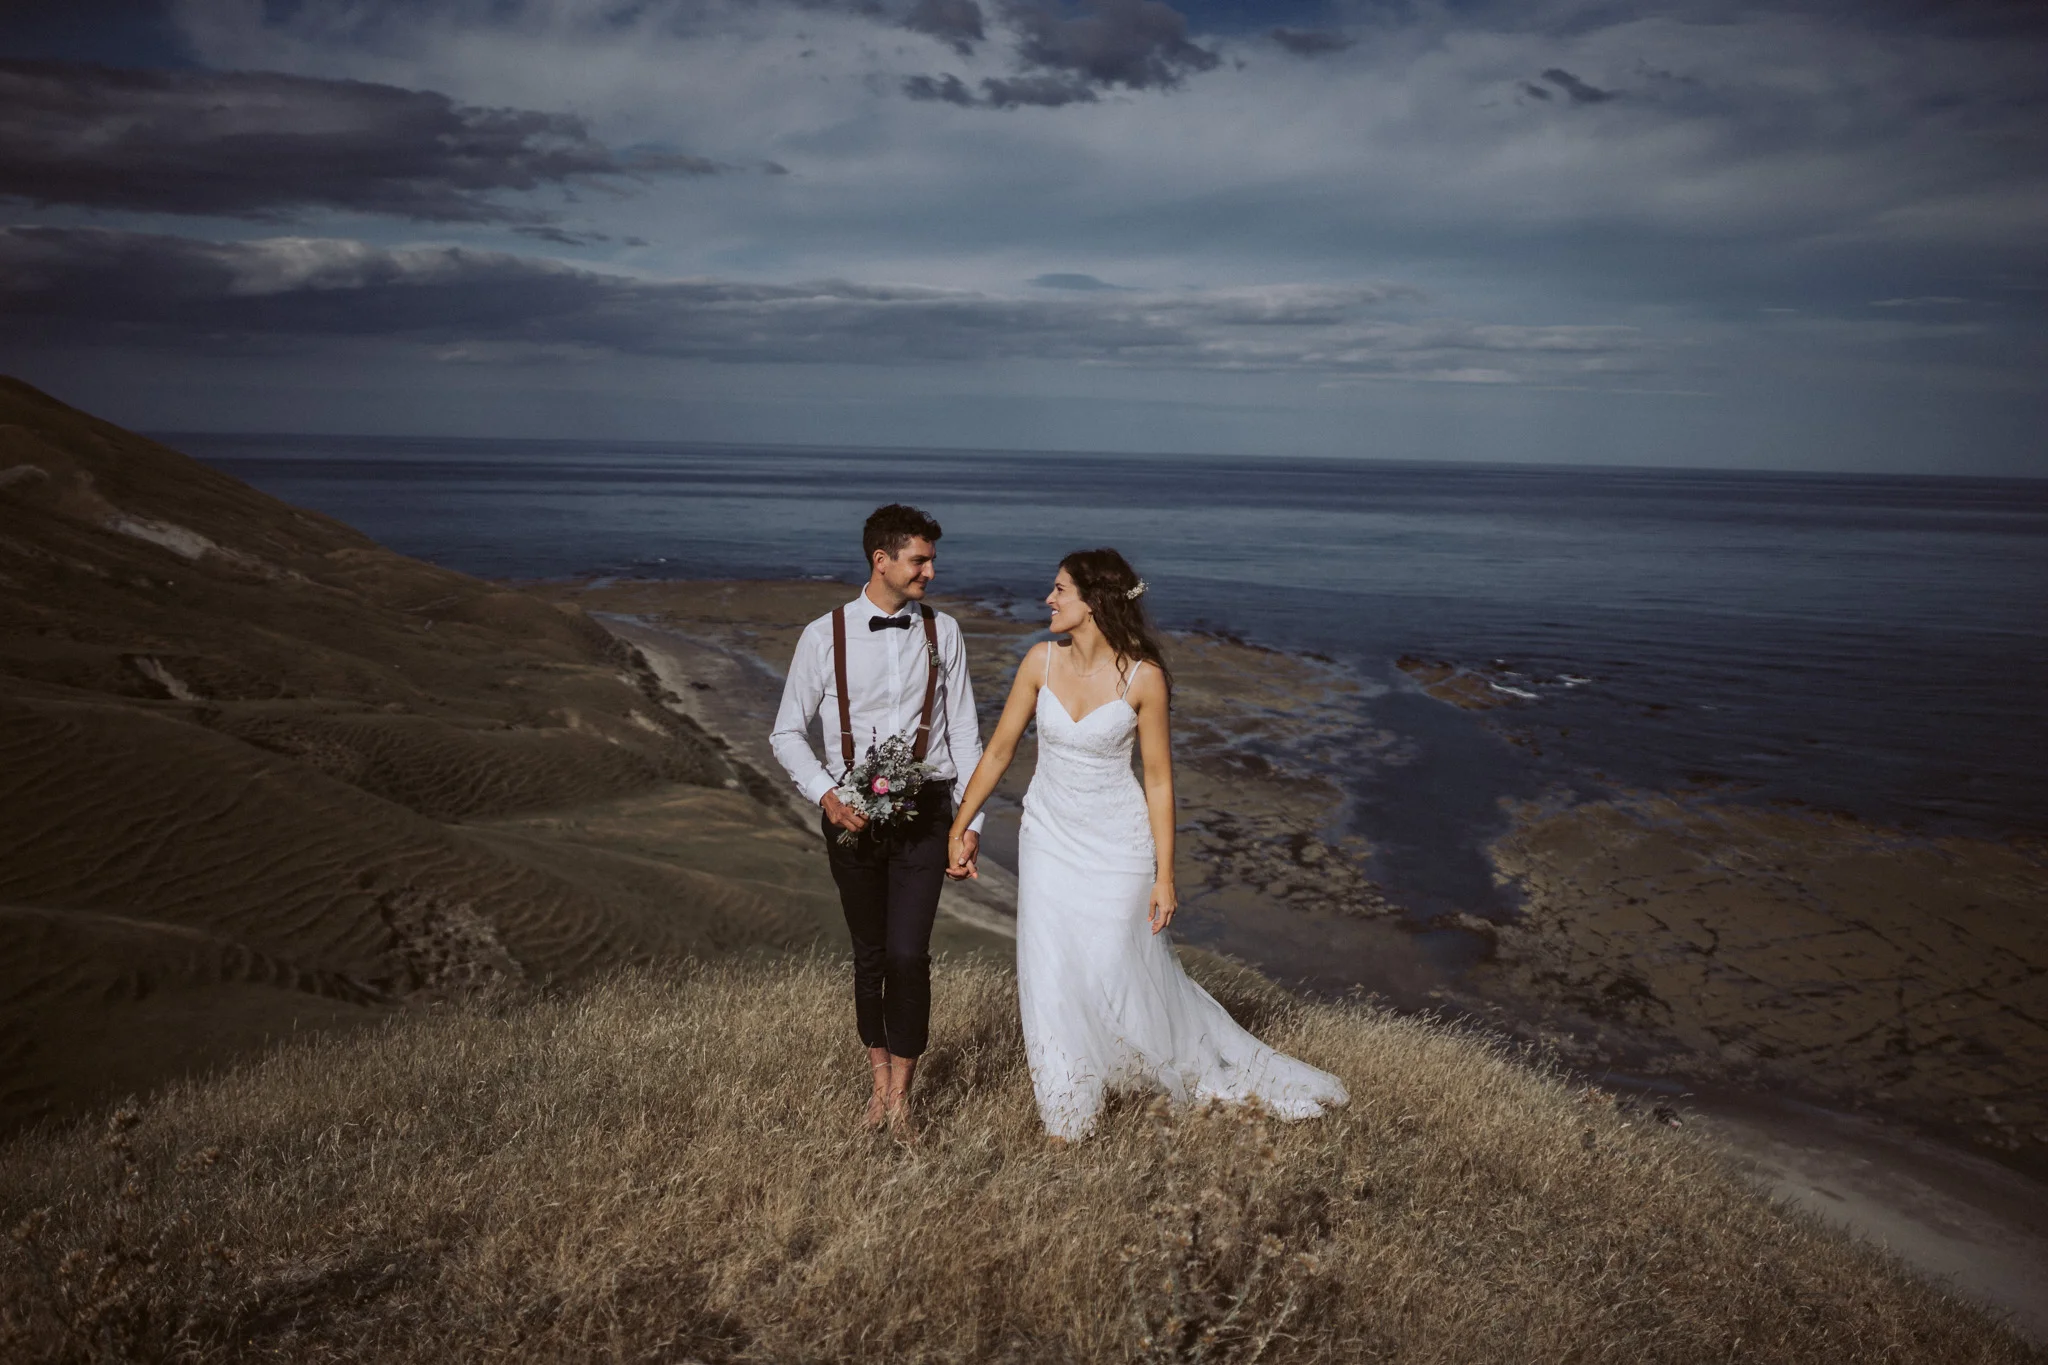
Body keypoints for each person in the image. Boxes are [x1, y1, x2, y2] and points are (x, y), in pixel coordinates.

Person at [946, 549, 1347, 1143]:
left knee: (1116, 962)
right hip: (1048, 840)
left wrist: (1165, 875)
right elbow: (1000, 751)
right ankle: (1069, 1110)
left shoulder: (1144, 677)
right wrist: (961, 825)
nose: (1048, 600)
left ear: (1095, 601)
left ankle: (1165, 1069)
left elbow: (1159, 779)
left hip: (1119, 848)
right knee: (1051, 970)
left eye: (1060, 590)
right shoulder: (1039, 662)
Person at [770, 504, 984, 1139]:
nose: (931, 572)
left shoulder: (945, 634)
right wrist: (826, 796)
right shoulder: (821, 635)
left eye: (932, 560)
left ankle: (904, 1099)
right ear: (881, 560)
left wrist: (970, 825)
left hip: (928, 812)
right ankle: (878, 1088)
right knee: (869, 956)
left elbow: (968, 736)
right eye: (920, 560)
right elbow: (786, 733)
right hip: (851, 817)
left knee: (908, 954)